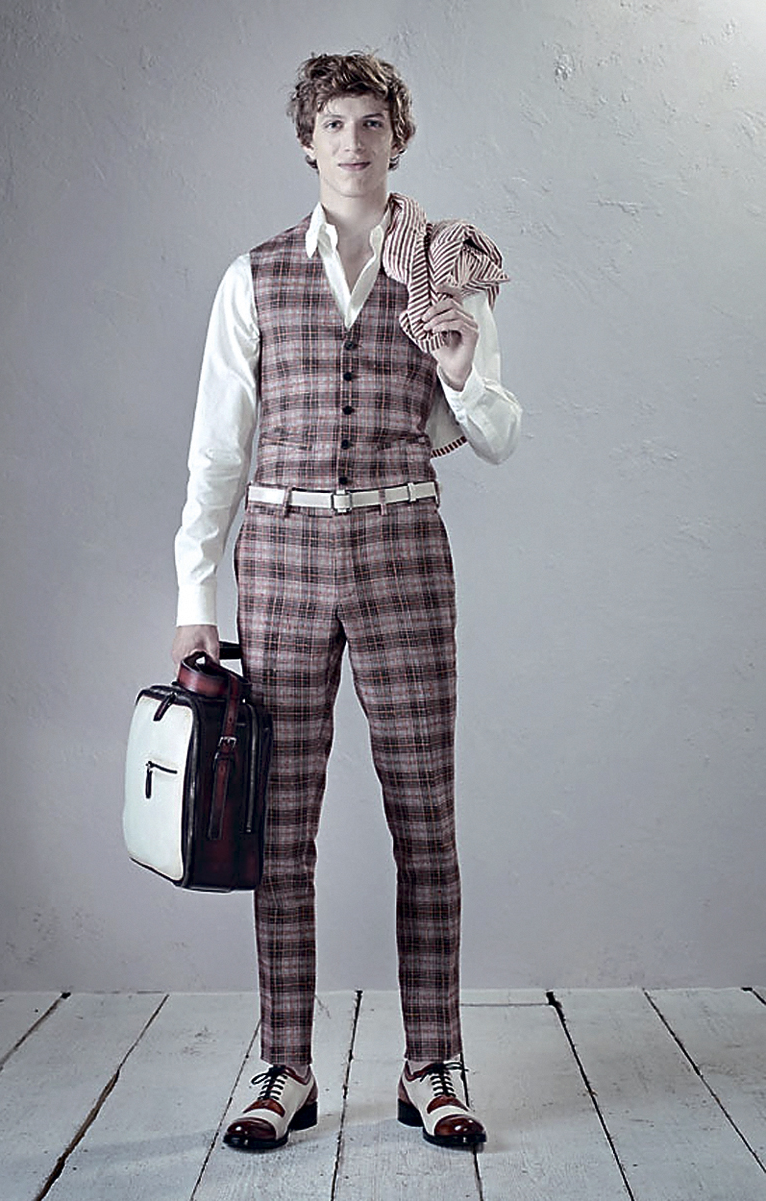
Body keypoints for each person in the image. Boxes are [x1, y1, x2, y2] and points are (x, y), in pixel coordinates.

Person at [172, 51, 521, 1152]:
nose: (354, 142)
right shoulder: (256, 276)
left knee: (427, 817)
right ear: (307, 140)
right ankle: (285, 1066)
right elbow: (216, 452)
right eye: (335, 122)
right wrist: (193, 596)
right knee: (279, 827)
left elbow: (501, 433)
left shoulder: (446, 273)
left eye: (373, 122)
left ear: (396, 140)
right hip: (278, 556)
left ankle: (433, 1064)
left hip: (402, 545)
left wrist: (459, 368)